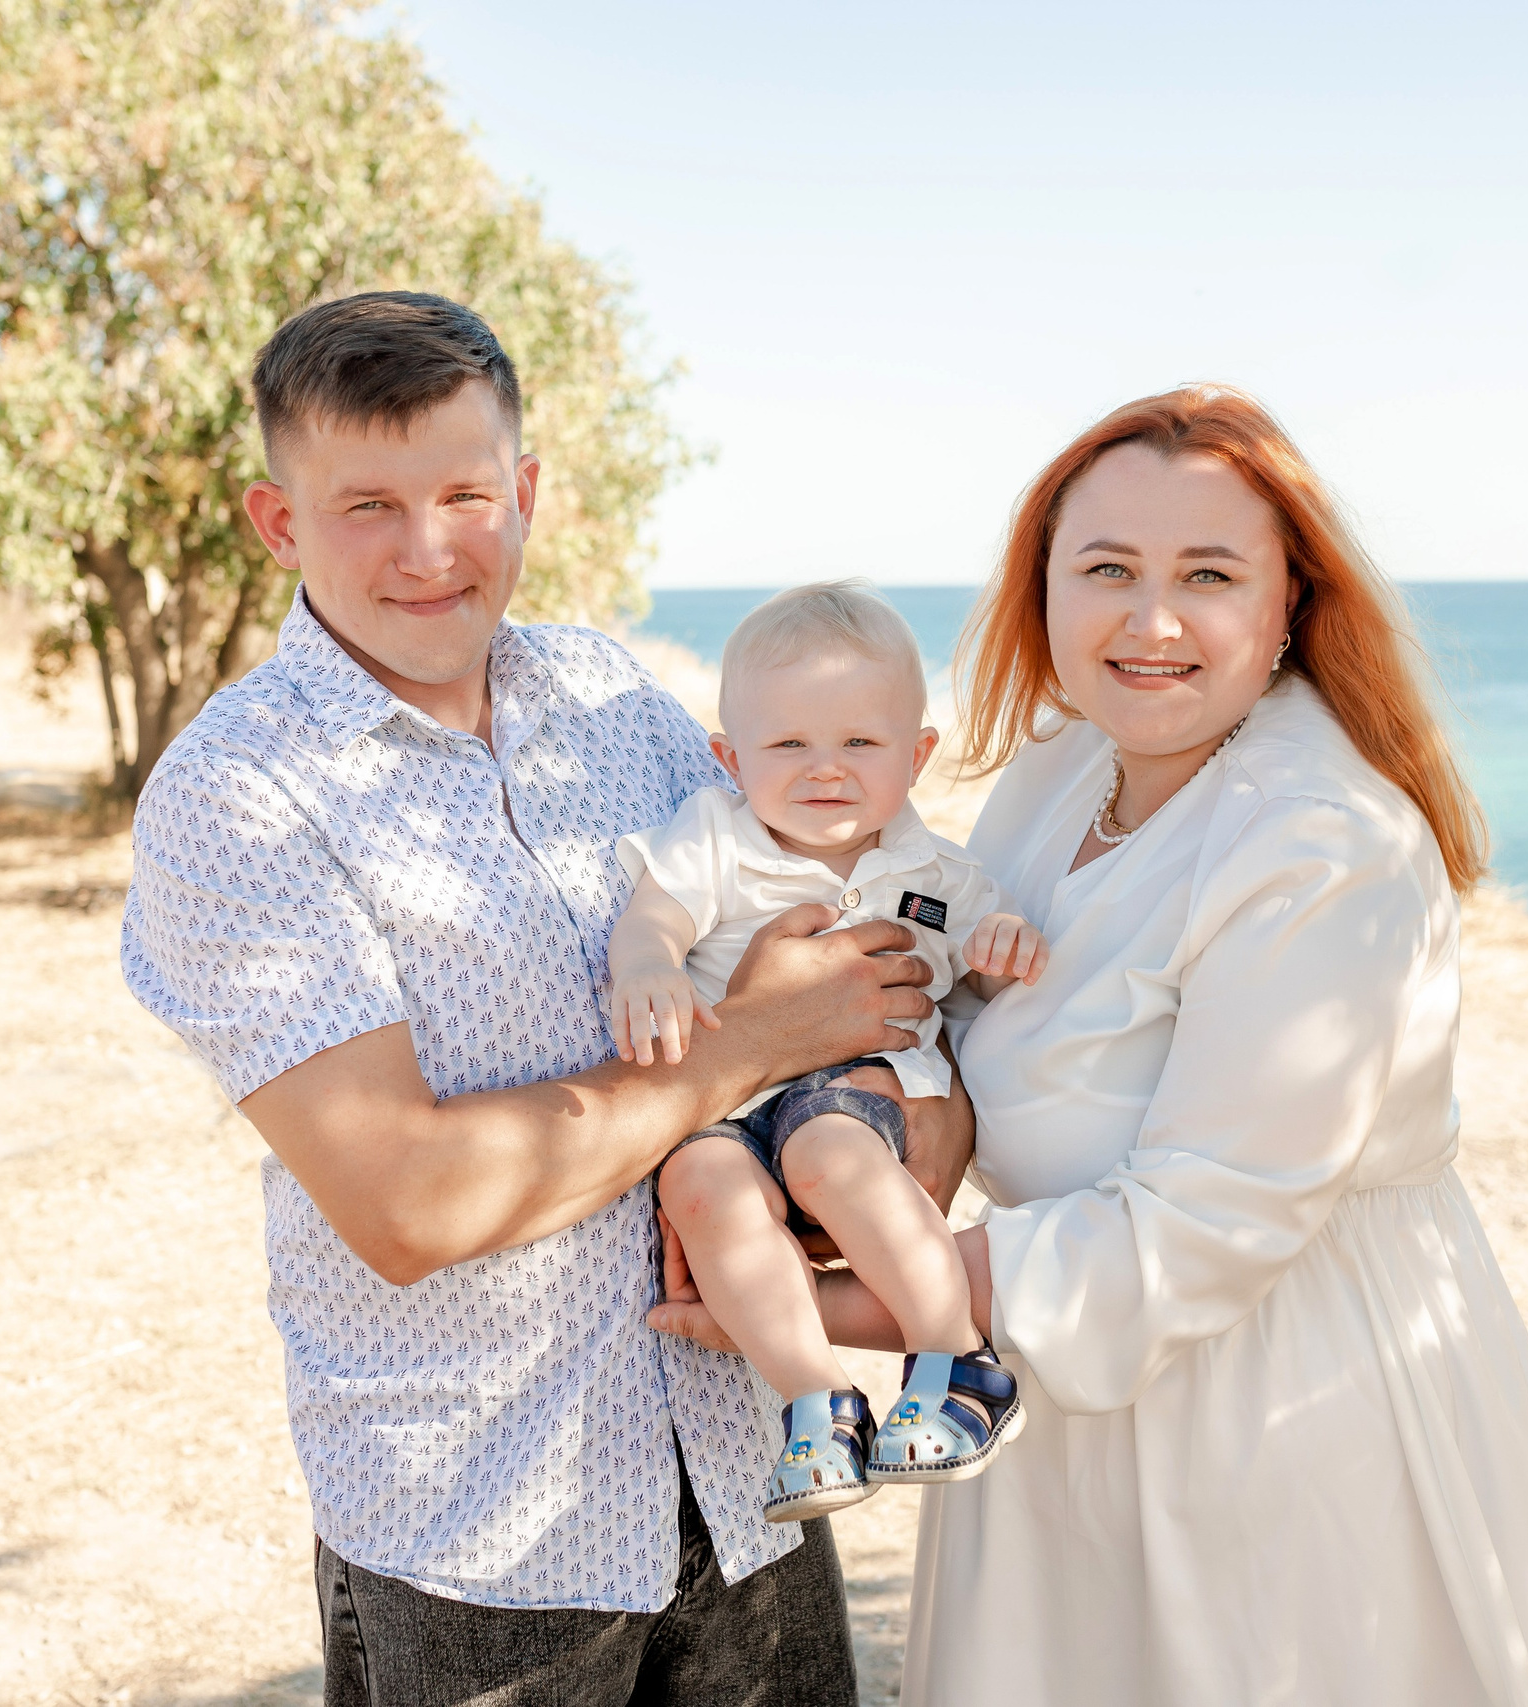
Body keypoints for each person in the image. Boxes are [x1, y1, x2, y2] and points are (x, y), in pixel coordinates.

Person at [654, 386, 1528, 1705]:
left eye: (1209, 574)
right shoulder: (1059, 772)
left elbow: (1197, 1226)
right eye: (1104, 567)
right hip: (1046, 1405)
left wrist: (796, 1306)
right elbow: (942, 1027)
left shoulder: (1316, 840)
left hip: (1280, 1412)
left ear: (1290, 602)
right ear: (1042, 590)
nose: (1150, 618)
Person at [121, 291, 971, 1707]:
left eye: (464, 491)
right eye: (368, 505)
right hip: (482, 1530)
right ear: (280, 523)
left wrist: (885, 1130)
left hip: (748, 1468)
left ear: (523, 491)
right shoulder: (239, 797)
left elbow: (856, 971)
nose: (429, 547)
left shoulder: (614, 699)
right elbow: (411, 1201)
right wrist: (757, 1041)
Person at [607, 581, 1046, 1524]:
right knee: (699, 1190)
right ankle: (819, 1401)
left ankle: (955, 1360)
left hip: (861, 1091)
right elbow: (655, 916)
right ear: (731, 756)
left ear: (918, 754)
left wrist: (1000, 945)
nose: (826, 768)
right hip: (728, 1097)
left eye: (859, 742)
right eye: (788, 744)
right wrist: (648, 965)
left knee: (826, 1152)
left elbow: (980, 958)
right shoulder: (715, 837)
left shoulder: (936, 873)